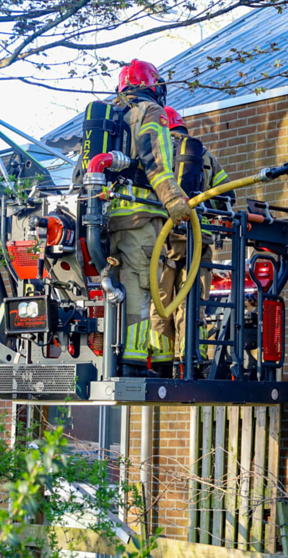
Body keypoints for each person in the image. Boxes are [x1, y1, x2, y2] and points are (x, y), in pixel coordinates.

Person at [89, 60, 193, 375]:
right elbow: (156, 161)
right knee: (139, 286)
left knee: (117, 285)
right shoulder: (150, 113)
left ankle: (114, 355)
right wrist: (174, 200)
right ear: (153, 87)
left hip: (108, 218)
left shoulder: (108, 117)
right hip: (141, 214)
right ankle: (133, 361)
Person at [149, 107, 235, 377]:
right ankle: (190, 360)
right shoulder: (204, 156)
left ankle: (161, 362)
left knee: (159, 300)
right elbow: (226, 196)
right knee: (192, 302)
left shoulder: (157, 154)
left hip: (163, 239)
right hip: (198, 240)